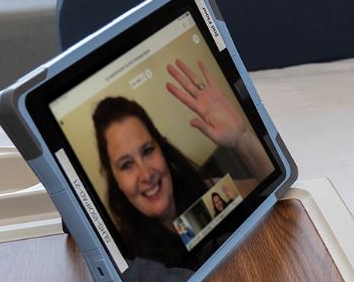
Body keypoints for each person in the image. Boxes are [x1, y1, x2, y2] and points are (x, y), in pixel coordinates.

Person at [93, 58, 272, 266]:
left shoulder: (201, 204)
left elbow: (268, 183)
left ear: (162, 149)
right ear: (116, 181)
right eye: (126, 165)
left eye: (148, 150)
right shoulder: (132, 262)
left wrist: (241, 138)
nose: (146, 174)